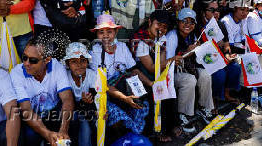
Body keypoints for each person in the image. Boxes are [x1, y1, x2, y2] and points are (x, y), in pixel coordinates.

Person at [89, 14, 151, 136]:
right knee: (116, 118)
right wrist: (124, 98)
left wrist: (150, 83)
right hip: (107, 95)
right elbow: (103, 85)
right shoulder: (94, 52)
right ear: (96, 34)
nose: (105, 36)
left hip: (125, 90)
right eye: (101, 32)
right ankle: (121, 139)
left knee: (142, 104)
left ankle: (137, 138)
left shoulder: (122, 47)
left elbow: (134, 71)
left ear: (116, 32)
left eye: (109, 31)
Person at [10, 36, 74, 145]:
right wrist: (47, 134)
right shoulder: (16, 73)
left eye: (33, 60)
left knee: (73, 120)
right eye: (24, 57)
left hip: (54, 113)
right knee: (30, 136)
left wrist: (63, 130)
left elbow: (67, 99)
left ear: (47, 59)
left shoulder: (57, 66)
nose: (26, 63)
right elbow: (26, 110)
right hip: (32, 116)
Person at [131, 10, 181, 142]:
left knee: (168, 89)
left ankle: (171, 126)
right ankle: (156, 131)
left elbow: (161, 63)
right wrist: (171, 61)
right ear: (150, 22)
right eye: (158, 24)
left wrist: (168, 64)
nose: (161, 29)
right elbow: (152, 68)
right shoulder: (140, 40)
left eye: (165, 26)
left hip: (155, 73)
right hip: (139, 76)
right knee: (154, 93)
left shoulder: (162, 38)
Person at [165, 8, 214, 133]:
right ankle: (183, 115)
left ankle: (204, 107)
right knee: (189, 80)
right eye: (184, 21)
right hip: (171, 73)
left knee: (205, 74)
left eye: (191, 22)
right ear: (178, 22)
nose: (188, 25)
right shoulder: (172, 36)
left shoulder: (194, 35)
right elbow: (168, 62)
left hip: (188, 68)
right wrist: (187, 51)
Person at [194, 0, 241, 104]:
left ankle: (226, 94)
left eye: (218, 10)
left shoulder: (220, 25)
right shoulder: (197, 27)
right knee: (219, 73)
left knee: (235, 68)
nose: (216, 13)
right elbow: (198, 50)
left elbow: (227, 45)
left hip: (220, 58)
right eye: (212, 10)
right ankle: (214, 99)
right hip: (205, 60)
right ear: (203, 12)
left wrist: (228, 55)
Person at [62, 42, 96, 146]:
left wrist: (88, 100)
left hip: (87, 110)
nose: (79, 65)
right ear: (67, 64)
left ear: (87, 61)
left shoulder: (91, 75)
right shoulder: (65, 77)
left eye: (83, 60)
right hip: (71, 111)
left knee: (85, 123)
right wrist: (82, 101)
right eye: (74, 61)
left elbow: (95, 98)